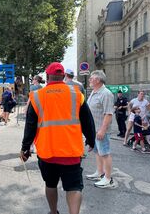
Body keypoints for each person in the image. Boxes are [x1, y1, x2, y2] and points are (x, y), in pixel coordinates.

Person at [20, 62, 95, 214]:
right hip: (71, 152)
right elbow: (88, 121)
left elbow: (30, 125)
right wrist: (91, 140)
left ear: (47, 77)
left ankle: (53, 212)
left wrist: (25, 147)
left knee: (50, 184)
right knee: (73, 187)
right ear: (63, 77)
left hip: (47, 152)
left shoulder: (37, 96)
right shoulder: (76, 94)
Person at [86, 70, 116, 188]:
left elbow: (108, 114)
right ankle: (99, 173)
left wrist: (102, 130)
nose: (89, 80)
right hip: (95, 129)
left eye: (91, 78)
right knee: (98, 152)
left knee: (105, 153)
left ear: (97, 80)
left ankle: (108, 178)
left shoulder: (106, 93)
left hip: (101, 129)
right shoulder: (95, 92)